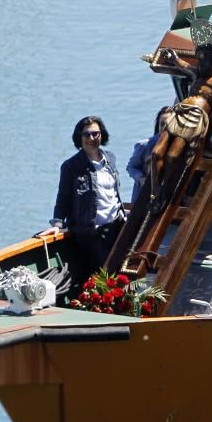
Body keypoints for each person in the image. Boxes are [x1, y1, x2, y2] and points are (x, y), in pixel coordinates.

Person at [38, 116, 126, 293]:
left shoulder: (110, 159)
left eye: (95, 133)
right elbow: (63, 197)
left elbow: (114, 193)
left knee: (121, 272)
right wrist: (57, 224)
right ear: (79, 137)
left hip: (117, 227)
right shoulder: (71, 166)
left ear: (102, 135)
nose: (91, 138)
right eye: (86, 134)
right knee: (106, 277)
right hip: (92, 233)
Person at [126, 106, 175, 204]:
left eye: (169, 125)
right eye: (162, 124)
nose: (165, 128)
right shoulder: (144, 145)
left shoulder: (177, 146)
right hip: (144, 198)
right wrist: (141, 179)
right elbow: (131, 167)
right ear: (158, 126)